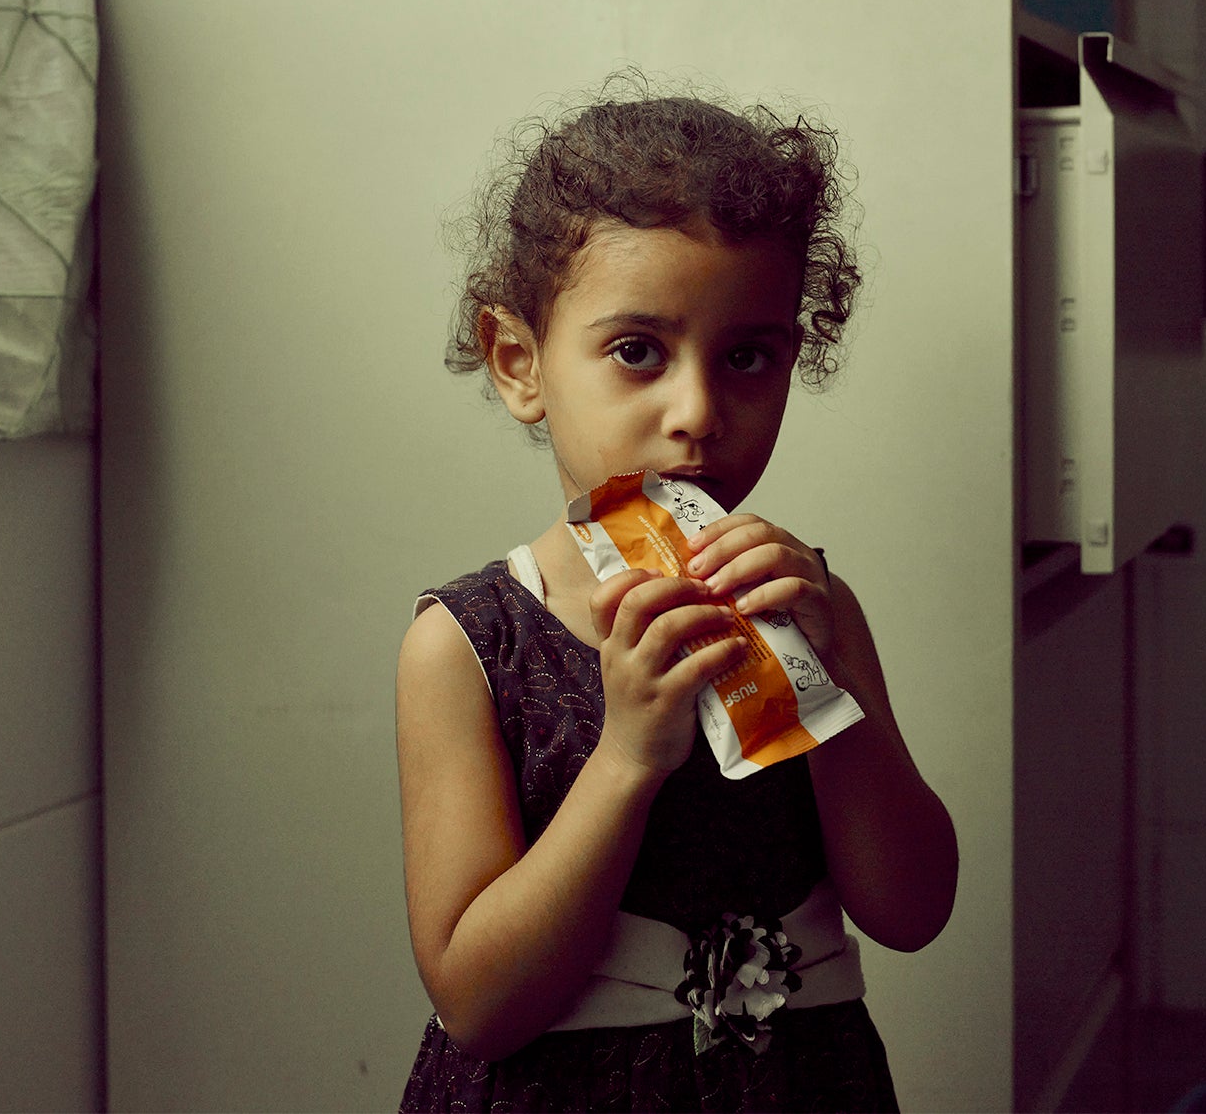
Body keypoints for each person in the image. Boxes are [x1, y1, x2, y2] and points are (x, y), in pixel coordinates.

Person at [396, 73, 958, 1112]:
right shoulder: (468, 646)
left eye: (747, 356)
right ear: (518, 362)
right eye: (636, 353)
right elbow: (476, 1004)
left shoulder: (815, 609)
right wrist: (625, 758)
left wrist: (831, 697)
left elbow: (913, 908)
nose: (697, 413)